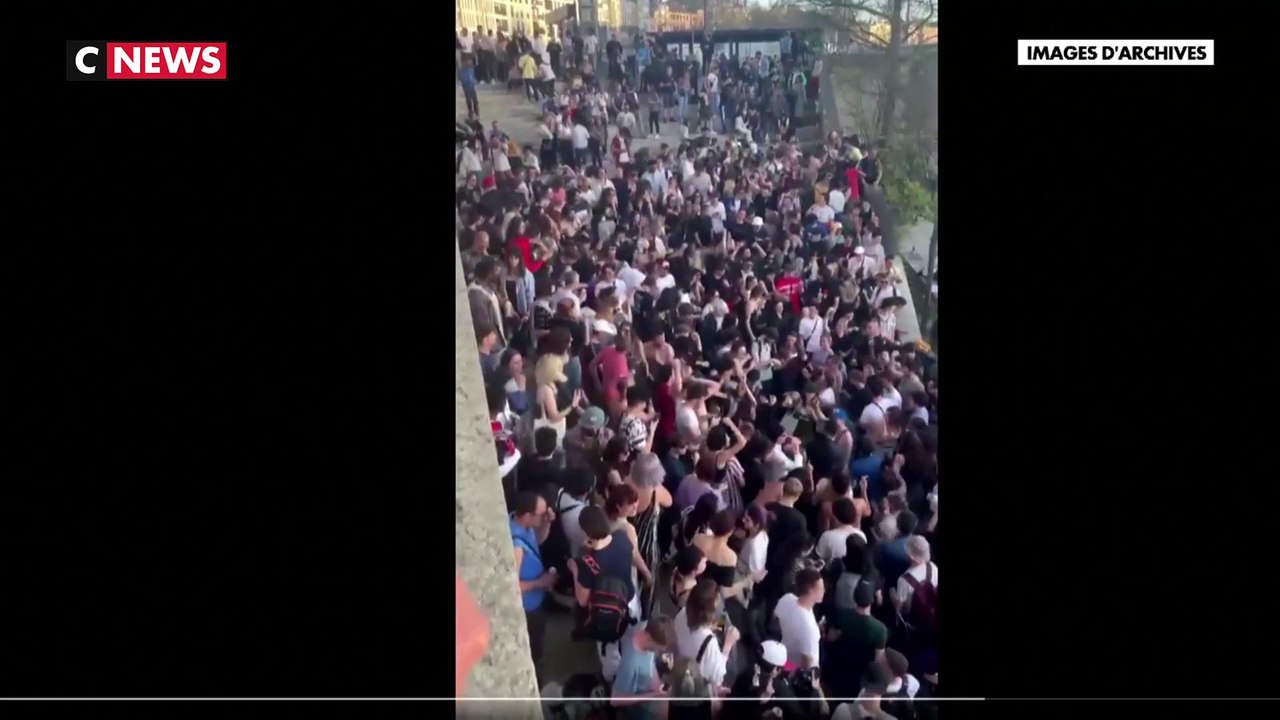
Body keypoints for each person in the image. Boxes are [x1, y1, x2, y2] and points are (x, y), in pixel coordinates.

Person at [509, 491, 557, 684]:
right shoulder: (515, 547)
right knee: (535, 649)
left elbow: (537, 541)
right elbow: (511, 586)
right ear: (528, 515)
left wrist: (546, 523)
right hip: (528, 609)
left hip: (536, 602)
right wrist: (540, 583)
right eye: (542, 513)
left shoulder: (520, 523)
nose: (546, 515)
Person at [674, 578, 741, 691]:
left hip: (682, 665)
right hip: (697, 684)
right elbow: (718, 676)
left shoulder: (682, 614)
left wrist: (717, 626)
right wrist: (728, 644)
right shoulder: (709, 643)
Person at [611, 615, 677, 720]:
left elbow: (650, 661)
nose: (657, 651)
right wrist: (653, 694)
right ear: (649, 638)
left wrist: (657, 684)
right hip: (637, 702)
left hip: (650, 687)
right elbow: (614, 700)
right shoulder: (630, 663)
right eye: (657, 648)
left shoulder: (645, 626)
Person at [773, 567, 823, 670]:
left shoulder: (786, 599)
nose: (824, 591)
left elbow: (777, 620)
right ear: (810, 589)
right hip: (793, 670)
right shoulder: (810, 629)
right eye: (821, 588)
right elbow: (807, 662)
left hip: (784, 661)